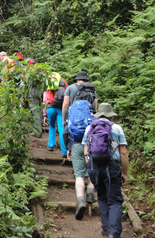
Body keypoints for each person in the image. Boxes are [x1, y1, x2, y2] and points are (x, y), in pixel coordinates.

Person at [83, 103, 128, 238]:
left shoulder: (89, 128)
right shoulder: (117, 128)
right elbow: (124, 153)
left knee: (102, 197)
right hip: (111, 166)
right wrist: (124, 173)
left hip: (94, 166)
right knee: (114, 201)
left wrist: (91, 168)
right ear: (110, 115)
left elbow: (86, 152)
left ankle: (106, 229)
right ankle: (113, 233)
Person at [62, 70, 98, 220]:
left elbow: (65, 104)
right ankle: (90, 190)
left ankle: (80, 200)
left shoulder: (70, 88)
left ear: (76, 79)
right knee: (92, 170)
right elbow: (96, 109)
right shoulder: (92, 89)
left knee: (78, 175)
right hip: (91, 138)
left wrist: (65, 120)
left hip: (76, 140)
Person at [43, 72, 68, 155]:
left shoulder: (48, 85)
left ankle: (50, 145)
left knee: (51, 126)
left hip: (50, 109)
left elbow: (45, 101)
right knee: (61, 129)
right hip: (60, 109)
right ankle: (64, 151)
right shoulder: (63, 84)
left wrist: (44, 115)